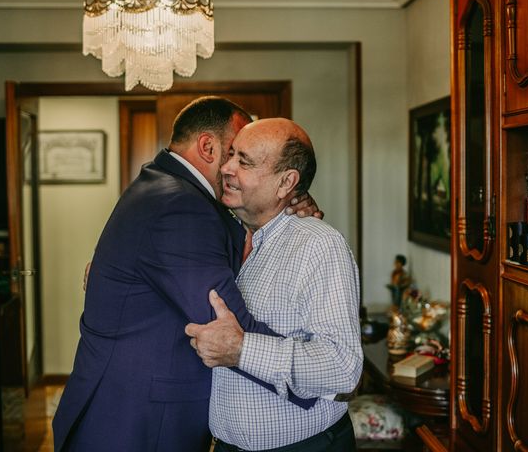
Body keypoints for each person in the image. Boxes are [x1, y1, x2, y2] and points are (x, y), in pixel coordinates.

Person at [52, 97, 321, 452]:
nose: (235, 169)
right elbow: (225, 321)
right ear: (208, 147)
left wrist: (283, 205)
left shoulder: (163, 187)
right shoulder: (180, 206)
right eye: (236, 153)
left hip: (125, 411)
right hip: (134, 425)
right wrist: (316, 382)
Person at [186, 118, 362, 451]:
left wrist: (241, 350)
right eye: (232, 154)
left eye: (244, 162)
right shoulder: (226, 236)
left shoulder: (319, 246)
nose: (226, 167)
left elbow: (342, 368)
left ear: (286, 183)